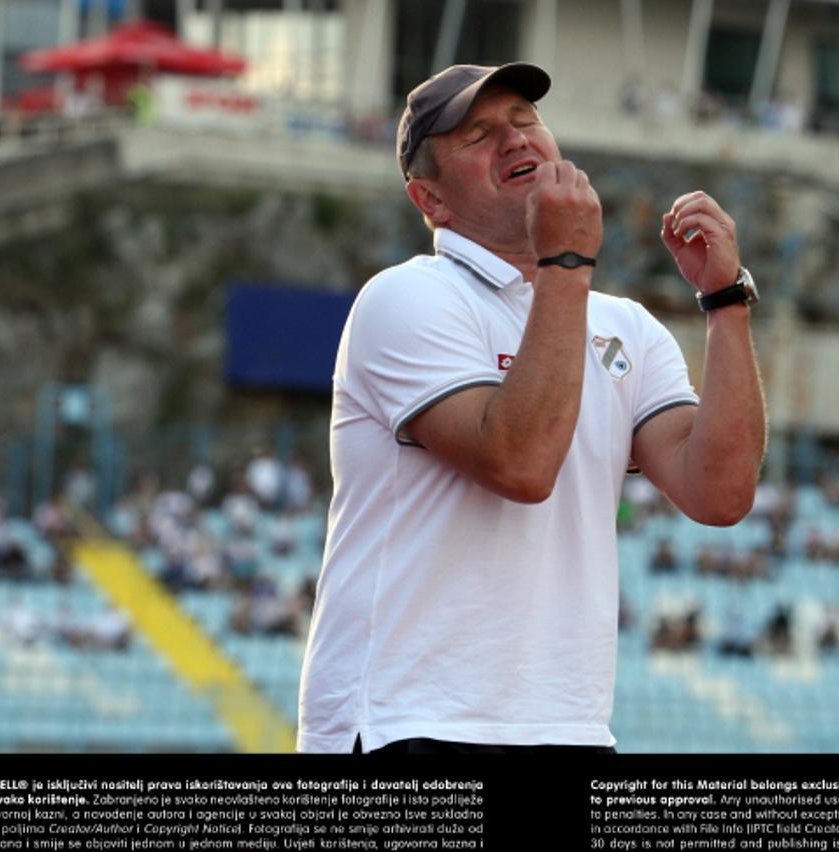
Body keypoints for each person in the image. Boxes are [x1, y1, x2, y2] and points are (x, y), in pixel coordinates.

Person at [297, 63, 767, 754]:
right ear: (430, 199)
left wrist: (725, 302)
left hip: (566, 726)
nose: (516, 140)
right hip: (403, 719)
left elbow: (721, 492)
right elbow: (520, 464)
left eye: (525, 121)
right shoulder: (407, 298)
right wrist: (568, 260)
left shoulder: (626, 328)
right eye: (480, 134)